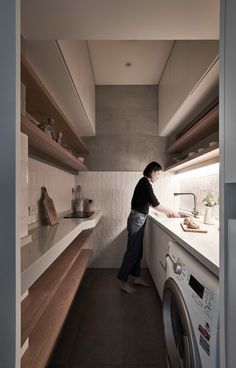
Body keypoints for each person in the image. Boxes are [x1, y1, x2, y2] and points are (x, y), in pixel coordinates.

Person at [117, 161, 179, 294]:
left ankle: (137, 278)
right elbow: (155, 203)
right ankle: (122, 282)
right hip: (136, 220)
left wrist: (165, 212)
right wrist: (172, 211)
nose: (158, 177)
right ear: (152, 172)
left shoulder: (144, 183)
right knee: (133, 251)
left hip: (138, 218)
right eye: (158, 174)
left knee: (138, 251)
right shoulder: (145, 183)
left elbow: (148, 204)